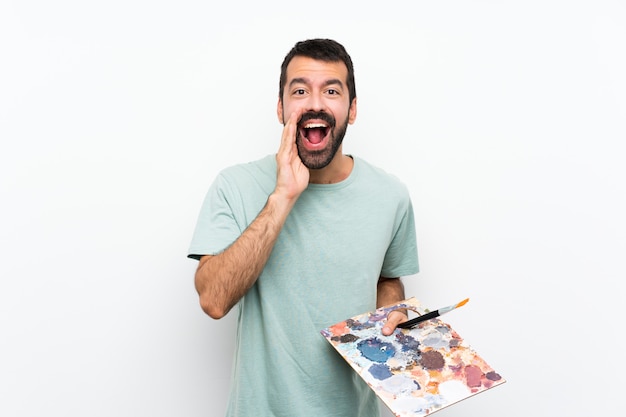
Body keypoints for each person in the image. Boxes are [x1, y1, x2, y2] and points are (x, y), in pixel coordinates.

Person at [188, 38, 419, 417]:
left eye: (331, 90)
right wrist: (282, 196)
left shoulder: (390, 195)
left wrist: (392, 312)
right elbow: (213, 299)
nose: (315, 103)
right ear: (281, 108)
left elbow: (386, 279)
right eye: (300, 90)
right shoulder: (235, 185)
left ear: (353, 109)